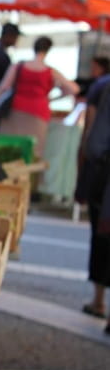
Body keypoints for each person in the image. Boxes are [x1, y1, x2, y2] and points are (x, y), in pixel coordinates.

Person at [0, 36, 79, 195]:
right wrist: (49, 98)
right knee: (32, 153)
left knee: (8, 149)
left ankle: (2, 186)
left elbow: (3, 88)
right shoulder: (50, 71)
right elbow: (73, 89)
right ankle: (26, 189)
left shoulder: (19, 66)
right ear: (48, 50)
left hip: (15, 111)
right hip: (38, 114)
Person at [74, 63, 110, 330]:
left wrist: (83, 177)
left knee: (102, 238)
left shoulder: (103, 87)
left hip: (105, 177)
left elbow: (94, 138)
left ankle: (99, 300)